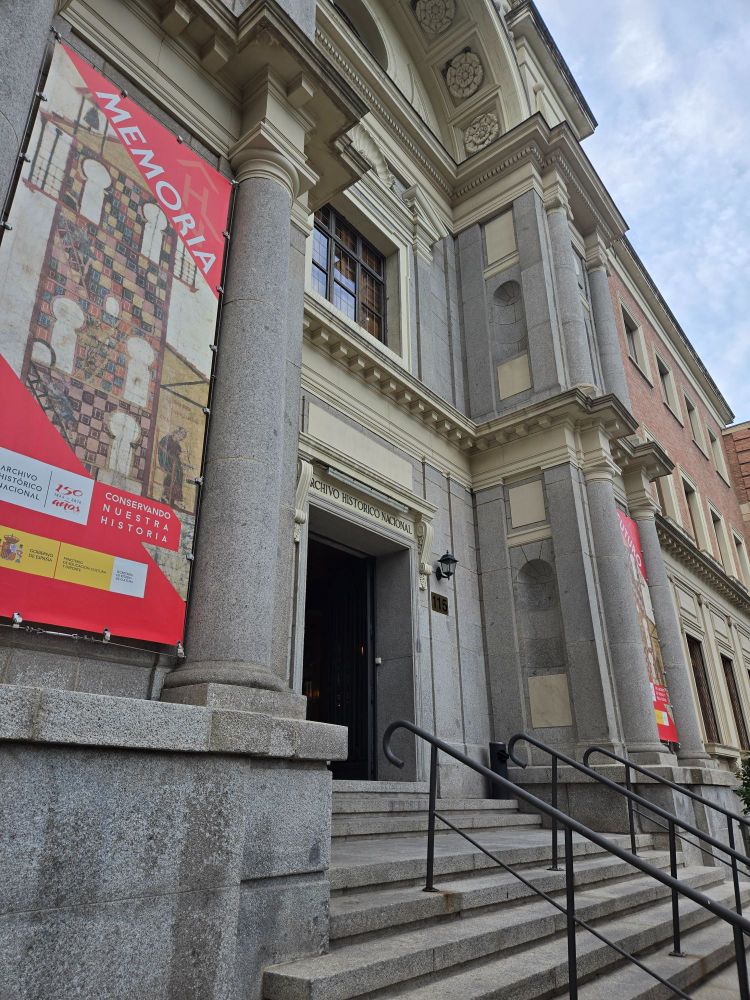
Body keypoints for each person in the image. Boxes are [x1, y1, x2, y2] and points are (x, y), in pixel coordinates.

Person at [158, 426, 187, 506]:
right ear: (176, 432)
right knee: (173, 472)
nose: (181, 436)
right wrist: (171, 458)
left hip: (174, 462)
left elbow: (177, 457)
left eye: (183, 436)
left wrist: (181, 464)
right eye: (181, 434)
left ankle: (173, 498)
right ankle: (166, 496)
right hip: (165, 459)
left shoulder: (177, 445)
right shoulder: (167, 438)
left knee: (179, 473)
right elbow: (161, 448)